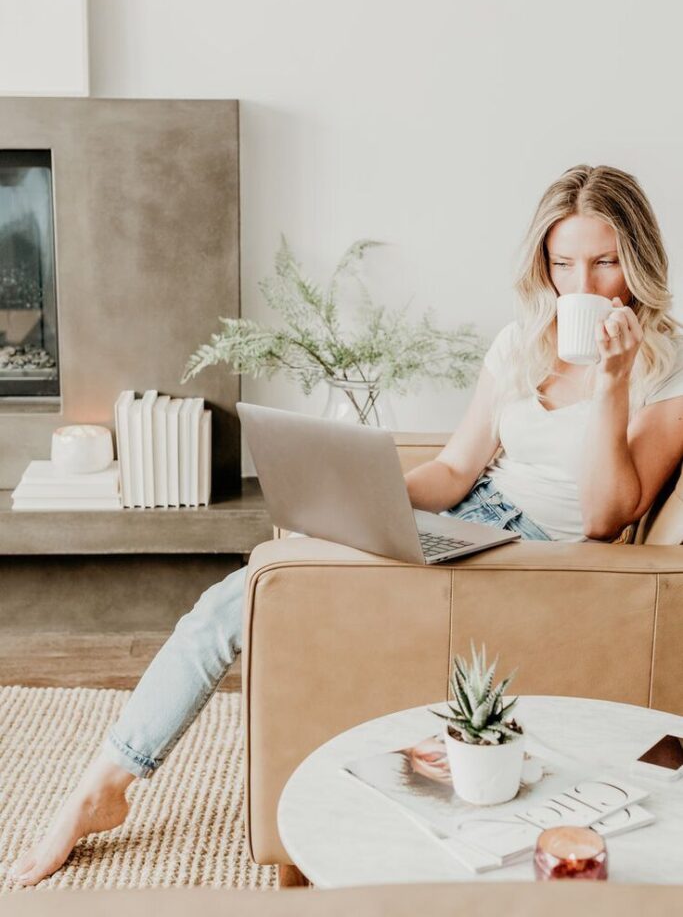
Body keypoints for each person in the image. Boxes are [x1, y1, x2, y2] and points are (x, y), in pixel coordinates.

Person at [9, 164, 683, 886]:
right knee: (235, 597)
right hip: (470, 522)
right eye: (563, 264)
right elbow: (458, 468)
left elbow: (605, 516)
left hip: (534, 559)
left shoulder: (665, 367)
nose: (581, 286)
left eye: (605, 263)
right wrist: (368, 498)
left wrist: (611, 382)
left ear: (638, 260)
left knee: (271, 592)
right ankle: (105, 784)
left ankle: (103, 789)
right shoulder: (522, 341)